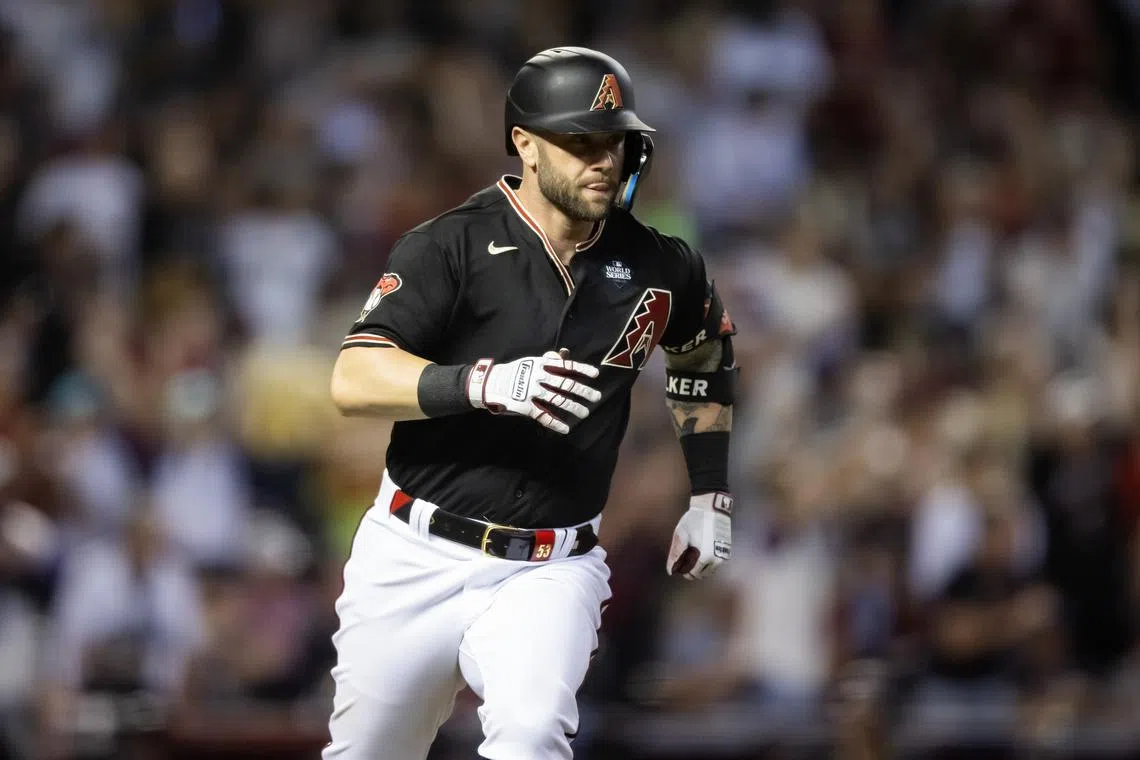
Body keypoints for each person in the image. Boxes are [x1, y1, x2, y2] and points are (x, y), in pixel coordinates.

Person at [323, 46, 739, 760]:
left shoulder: (660, 264)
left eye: (614, 140)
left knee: (532, 734)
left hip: (551, 566)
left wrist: (708, 496)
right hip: (414, 552)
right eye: (580, 140)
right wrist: (482, 383)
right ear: (525, 144)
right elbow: (354, 377)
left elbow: (702, 353)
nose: (603, 158)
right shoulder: (448, 244)